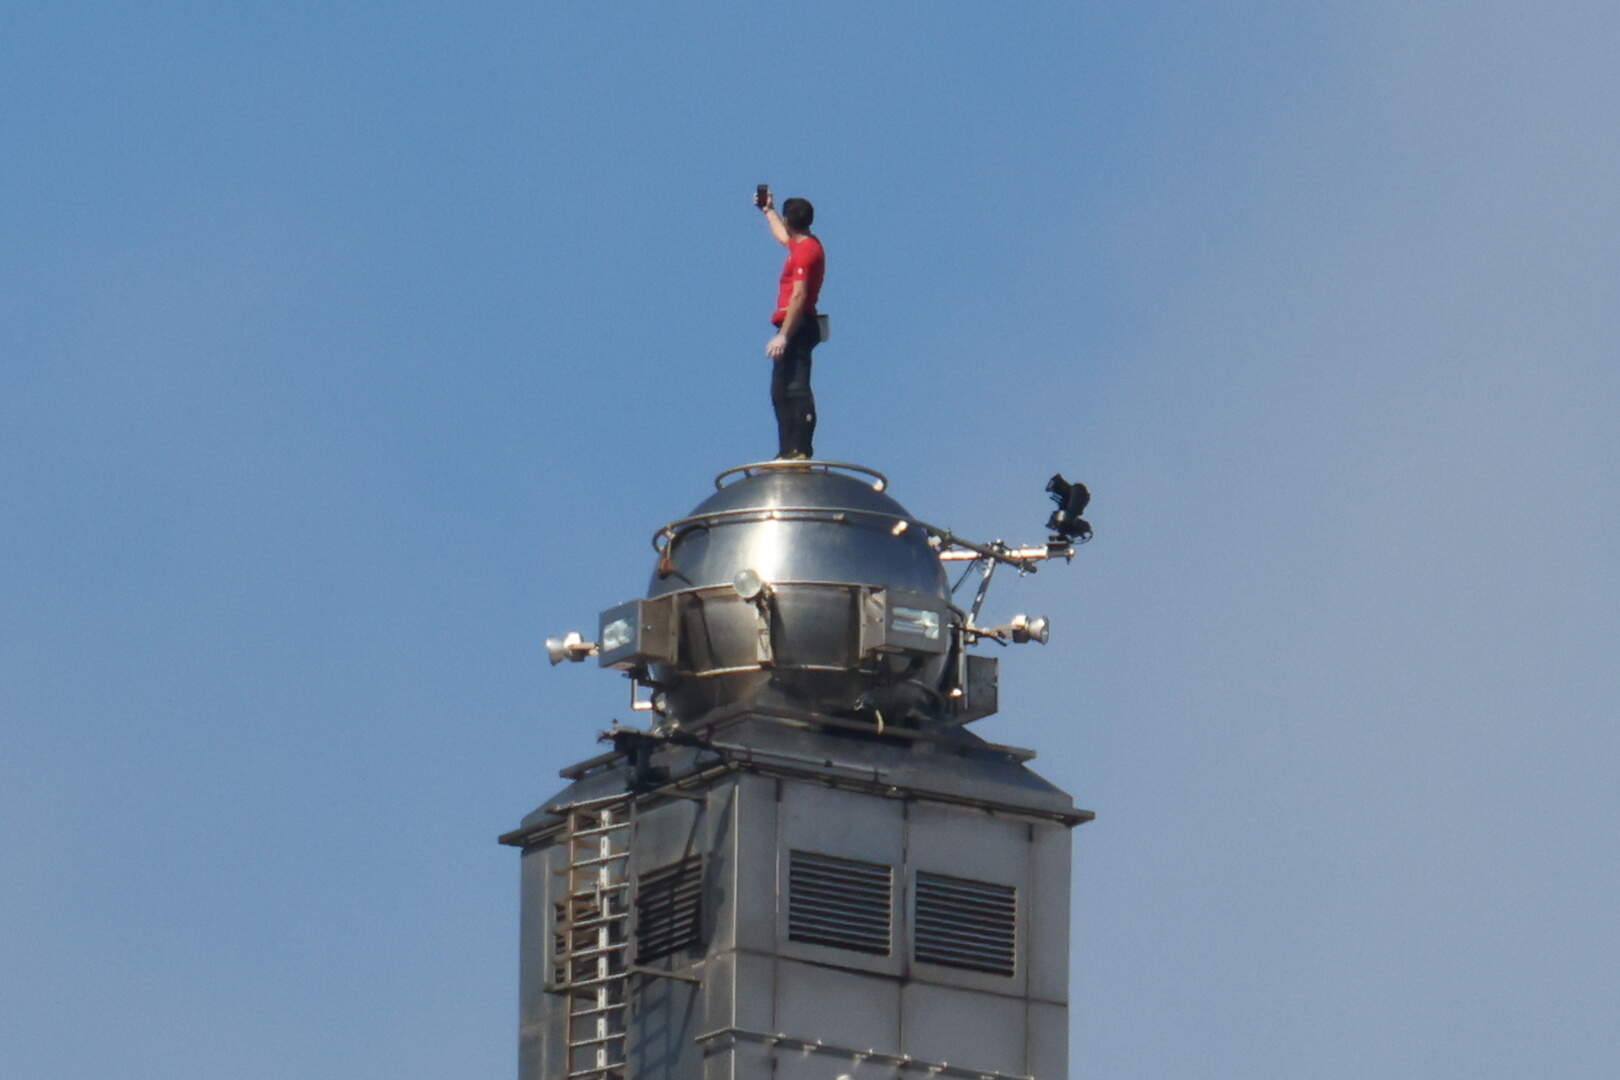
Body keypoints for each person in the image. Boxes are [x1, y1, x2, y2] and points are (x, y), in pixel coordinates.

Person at [757, 189, 825, 460]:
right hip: (793, 323)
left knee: (795, 388)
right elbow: (783, 237)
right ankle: (787, 449)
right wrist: (768, 211)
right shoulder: (802, 244)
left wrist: (784, 335)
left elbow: (799, 296)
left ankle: (800, 449)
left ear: (790, 220)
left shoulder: (806, 252)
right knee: (780, 390)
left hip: (797, 324)